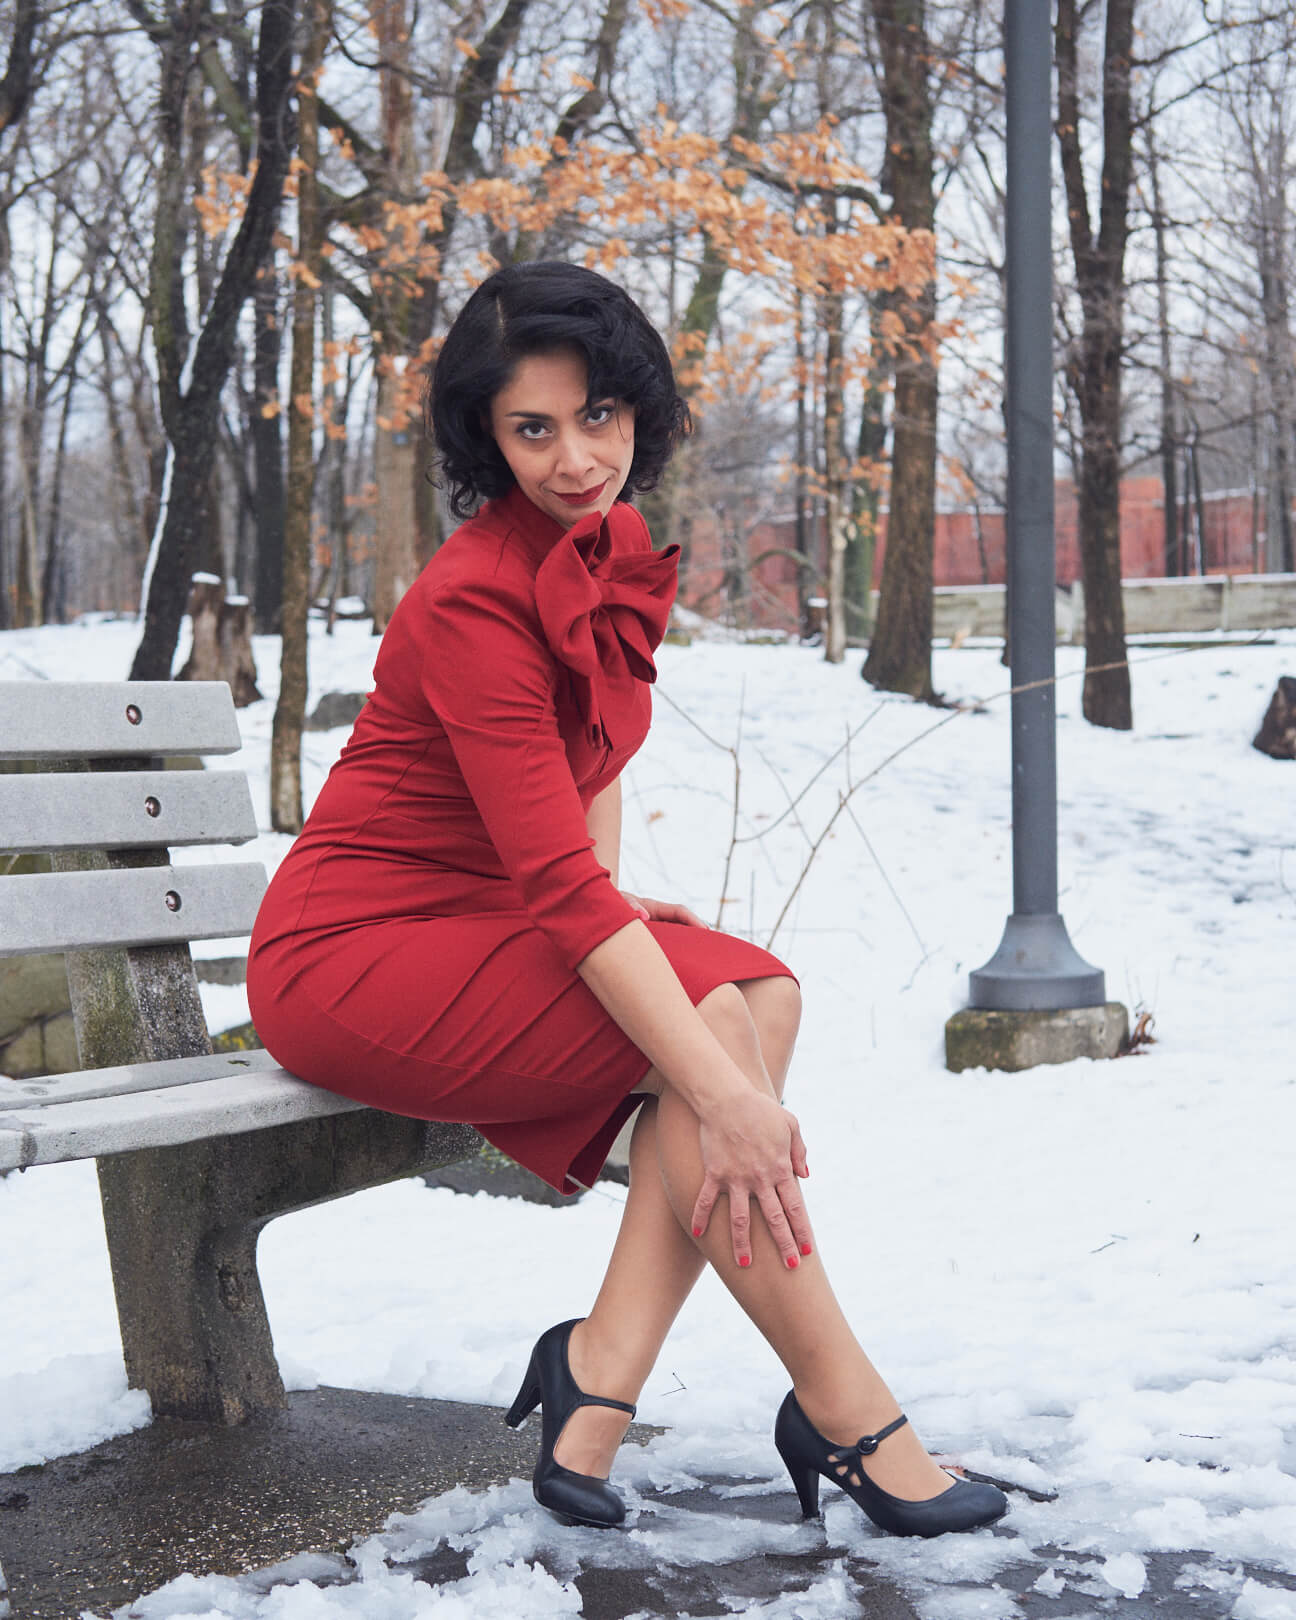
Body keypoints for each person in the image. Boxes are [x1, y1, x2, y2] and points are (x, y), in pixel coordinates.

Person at [247, 260, 1007, 1540]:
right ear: (485, 439)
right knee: (719, 1045)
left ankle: (595, 1384)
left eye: (596, 417)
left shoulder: (606, 548)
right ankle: (848, 1410)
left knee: (755, 990)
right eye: (530, 428)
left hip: (480, 922)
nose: (573, 458)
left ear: (639, 411)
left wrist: (615, 904)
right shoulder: (472, 597)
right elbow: (551, 882)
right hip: (352, 953)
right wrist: (730, 1104)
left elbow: (585, 772)